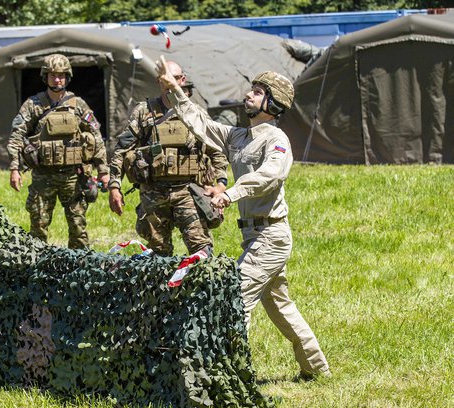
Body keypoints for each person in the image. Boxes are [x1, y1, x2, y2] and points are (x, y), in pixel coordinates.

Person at [157, 59, 331, 379]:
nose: (248, 95)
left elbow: (269, 175)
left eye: (257, 92)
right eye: (251, 89)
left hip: (272, 236)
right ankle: (317, 370)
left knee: (234, 301)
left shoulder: (275, 140)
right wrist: (175, 90)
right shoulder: (238, 135)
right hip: (255, 236)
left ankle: (227, 377)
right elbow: (200, 122)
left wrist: (229, 194)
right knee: (281, 308)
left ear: (273, 103)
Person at [108, 60, 229, 256]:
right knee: (158, 251)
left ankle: (200, 285)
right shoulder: (143, 112)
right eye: (166, 78)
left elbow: (216, 150)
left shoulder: (196, 113)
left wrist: (220, 185)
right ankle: (163, 285)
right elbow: (122, 150)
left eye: (176, 77)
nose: (171, 82)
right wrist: (114, 186)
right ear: (159, 81)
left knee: (201, 248)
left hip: (189, 191)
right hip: (153, 192)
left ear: (183, 80)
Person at [6, 54, 109, 249]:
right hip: (43, 176)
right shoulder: (33, 105)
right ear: (45, 77)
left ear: (68, 77)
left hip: (74, 176)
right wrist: (14, 168)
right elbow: (16, 136)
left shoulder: (78, 105)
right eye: (53, 75)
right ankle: (35, 265)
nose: (57, 79)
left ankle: (80, 266)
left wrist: (103, 172)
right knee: (38, 225)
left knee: (78, 227)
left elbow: (96, 137)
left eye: (61, 75)